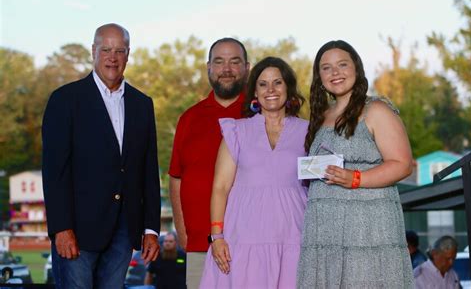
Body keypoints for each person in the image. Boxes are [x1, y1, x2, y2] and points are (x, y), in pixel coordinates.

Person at [42, 23, 161, 288]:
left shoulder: (142, 104)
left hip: (124, 232)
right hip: (77, 233)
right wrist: (61, 228)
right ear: (93, 51)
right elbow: (54, 172)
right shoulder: (65, 100)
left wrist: (151, 229)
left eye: (120, 50)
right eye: (106, 49)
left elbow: (149, 172)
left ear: (128, 54)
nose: (113, 57)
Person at [297, 40, 414, 288]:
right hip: (325, 234)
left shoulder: (376, 110)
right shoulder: (321, 116)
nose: (335, 72)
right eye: (326, 68)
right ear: (319, 77)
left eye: (342, 64)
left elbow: (403, 164)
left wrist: (356, 178)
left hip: (367, 232)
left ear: (357, 69)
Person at [199, 56, 308, 288]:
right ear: (255, 93)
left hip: (294, 238)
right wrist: (216, 237)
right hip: (242, 239)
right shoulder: (237, 131)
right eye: (263, 84)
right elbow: (220, 187)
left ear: (288, 87)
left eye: (277, 82)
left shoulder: (308, 132)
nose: (271, 89)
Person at [169, 38, 249, 288]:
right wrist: (183, 232)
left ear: (247, 67)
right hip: (200, 247)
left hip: (250, 245)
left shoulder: (259, 114)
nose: (226, 69)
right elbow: (176, 177)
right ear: (208, 68)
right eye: (219, 62)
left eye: (234, 62)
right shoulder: (189, 118)